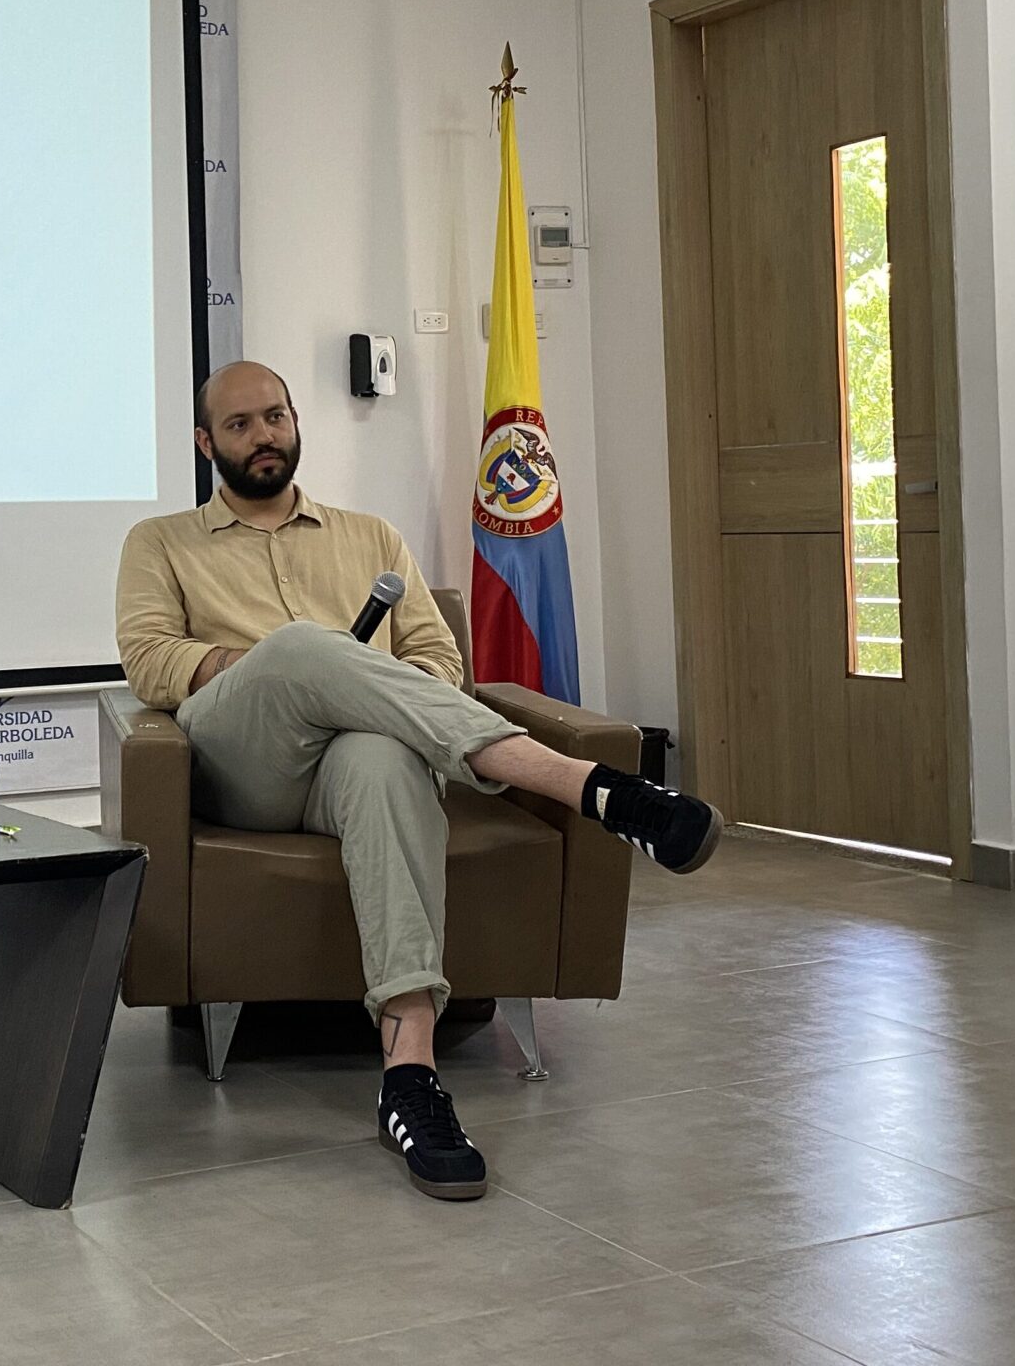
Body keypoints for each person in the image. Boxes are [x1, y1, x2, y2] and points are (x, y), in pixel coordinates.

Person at [114, 360, 723, 1203]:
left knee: (385, 761)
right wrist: (281, 667)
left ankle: (409, 1078)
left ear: (296, 423)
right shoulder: (160, 541)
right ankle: (595, 789)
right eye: (240, 424)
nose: (264, 436)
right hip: (245, 762)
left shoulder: (370, 535)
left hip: (348, 766)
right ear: (204, 442)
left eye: (276, 417)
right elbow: (150, 660)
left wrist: (356, 692)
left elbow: (438, 658)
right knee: (302, 648)